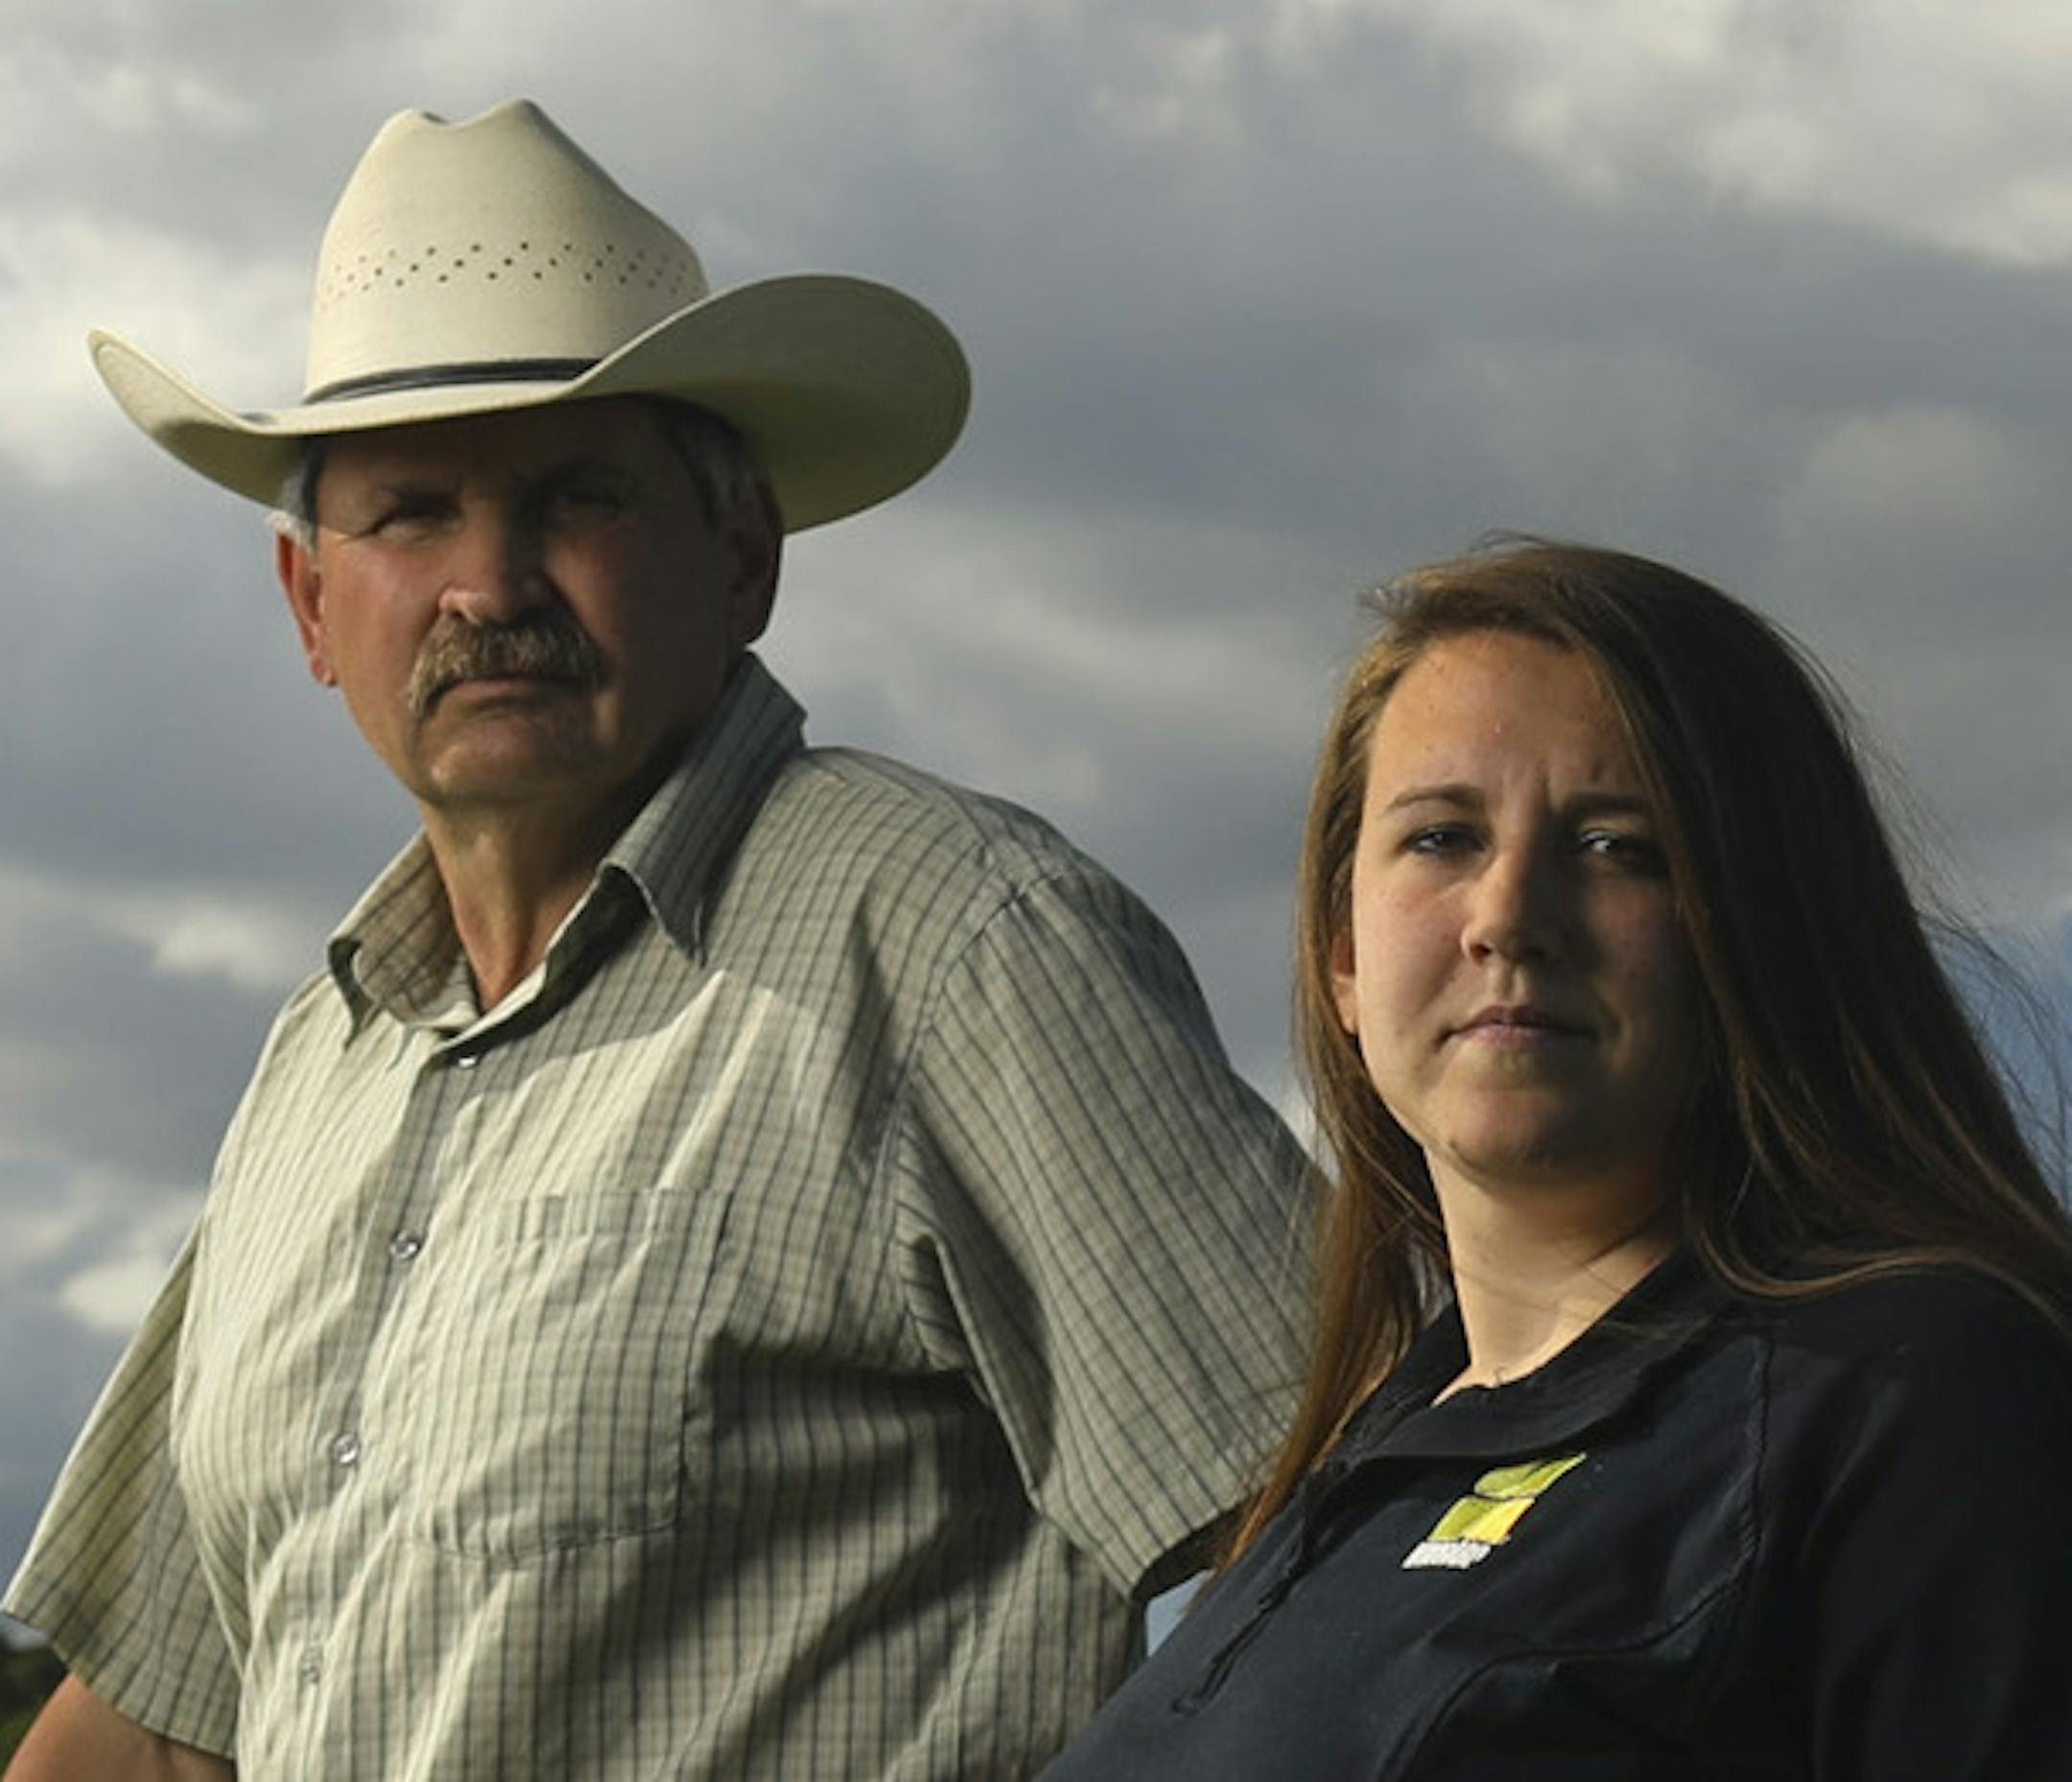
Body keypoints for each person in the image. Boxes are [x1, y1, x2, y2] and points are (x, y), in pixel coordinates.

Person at [2, 100, 1310, 1781]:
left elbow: (1338, 1522)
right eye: (409, 513)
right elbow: (158, 1731)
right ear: (311, 608)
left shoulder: (954, 937)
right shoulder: (319, 1067)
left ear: (744, 554)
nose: (488, 583)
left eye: (575, 496)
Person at [1039, 540, 2072, 1780]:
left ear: (1762, 922)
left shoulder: (1919, 1398)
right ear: (1343, 961)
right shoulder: (1354, 1479)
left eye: (1617, 845)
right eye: (1440, 838)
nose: (1509, 916)